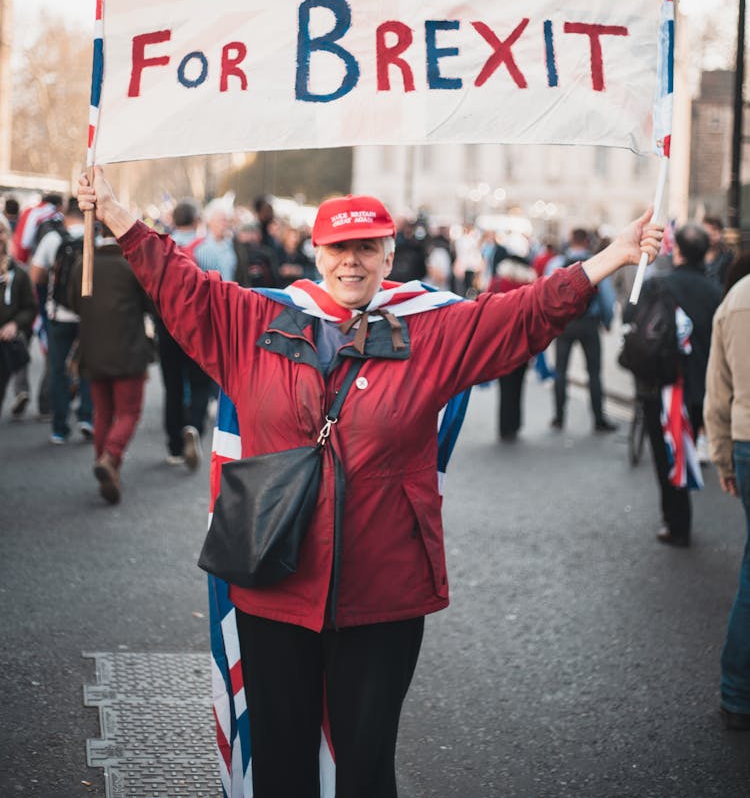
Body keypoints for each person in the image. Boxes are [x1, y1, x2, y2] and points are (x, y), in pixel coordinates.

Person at [77, 168, 663, 798]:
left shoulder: (432, 332)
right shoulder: (253, 321)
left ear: (389, 254)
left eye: (366, 248)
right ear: (317, 252)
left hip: (382, 592)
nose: (351, 262)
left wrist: (616, 255)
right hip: (275, 588)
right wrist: (112, 210)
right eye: (338, 248)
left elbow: (526, 315)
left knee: (364, 766)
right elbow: (178, 284)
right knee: (281, 764)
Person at [627, 223, 722, 546]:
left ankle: (675, 520)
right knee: (685, 448)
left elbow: (634, 318)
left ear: (676, 250)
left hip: (661, 384)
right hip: (698, 387)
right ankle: (679, 517)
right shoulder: (716, 291)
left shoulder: (658, 285)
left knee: (664, 454)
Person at [69, 225, 154, 504]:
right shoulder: (131, 265)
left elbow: (73, 302)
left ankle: (107, 467)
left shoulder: (84, 263)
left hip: (93, 349)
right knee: (129, 412)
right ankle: (110, 456)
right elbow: (150, 305)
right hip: (127, 349)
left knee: (102, 413)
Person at [704, 260, 750, 730]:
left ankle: (737, 693)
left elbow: (717, 394)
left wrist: (721, 455)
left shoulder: (736, 298)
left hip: (747, 441)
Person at [154, 200, 213, 469]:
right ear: (197, 219)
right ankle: (194, 426)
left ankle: (175, 448)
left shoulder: (160, 247)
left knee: (173, 386)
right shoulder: (208, 248)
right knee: (201, 382)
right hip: (199, 325)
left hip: (167, 324)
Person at [29, 197, 92, 443]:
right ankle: (87, 417)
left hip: (59, 315)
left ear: (66, 214)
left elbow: (36, 275)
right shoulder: (94, 239)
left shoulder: (53, 239)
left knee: (58, 369)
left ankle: (59, 427)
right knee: (87, 367)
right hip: (88, 317)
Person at [546, 228, 617, 433]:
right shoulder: (596, 264)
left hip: (564, 324)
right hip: (589, 324)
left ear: (570, 240)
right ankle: (598, 418)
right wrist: (608, 320)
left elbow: (546, 294)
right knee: (594, 373)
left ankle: (559, 417)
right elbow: (607, 297)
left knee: (560, 371)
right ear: (587, 241)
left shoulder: (556, 263)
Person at [488, 255, 537, 440]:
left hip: (501, 343)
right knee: (518, 385)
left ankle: (504, 426)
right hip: (524, 342)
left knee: (504, 386)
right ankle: (515, 424)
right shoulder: (530, 285)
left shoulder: (498, 283)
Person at [0, 216, 36, 420]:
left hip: (5, 344)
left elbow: (30, 308)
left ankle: (21, 391)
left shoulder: (19, 273)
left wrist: (15, 324)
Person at [702, 215, 735, 288]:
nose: (711, 233)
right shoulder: (696, 254)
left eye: (715, 229)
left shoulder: (727, 256)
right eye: (707, 230)